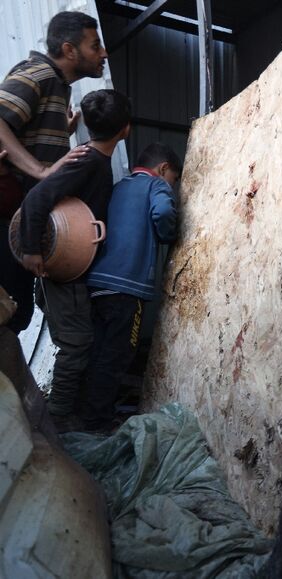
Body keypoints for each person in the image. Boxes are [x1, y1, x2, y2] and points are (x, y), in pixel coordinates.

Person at [17, 89, 131, 432]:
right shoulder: (87, 162)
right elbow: (37, 199)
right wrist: (30, 250)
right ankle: (59, 422)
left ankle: (63, 413)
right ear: (126, 128)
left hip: (72, 270)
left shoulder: (90, 158)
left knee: (79, 341)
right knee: (77, 344)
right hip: (63, 273)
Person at [0, 11, 107, 333]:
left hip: (20, 217)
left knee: (15, 314)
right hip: (7, 214)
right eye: (95, 45)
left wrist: (64, 131)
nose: (103, 53)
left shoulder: (59, 87)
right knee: (9, 312)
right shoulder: (40, 73)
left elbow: (27, 131)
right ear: (69, 50)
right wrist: (38, 170)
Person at [80, 143, 180, 432]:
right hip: (127, 289)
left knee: (99, 350)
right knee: (119, 354)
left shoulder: (119, 186)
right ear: (162, 170)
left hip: (98, 283)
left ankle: (87, 411)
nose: (171, 186)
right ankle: (98, 421)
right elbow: (162, 214)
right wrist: (168, 234)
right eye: (173, 179)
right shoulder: (155, 186)